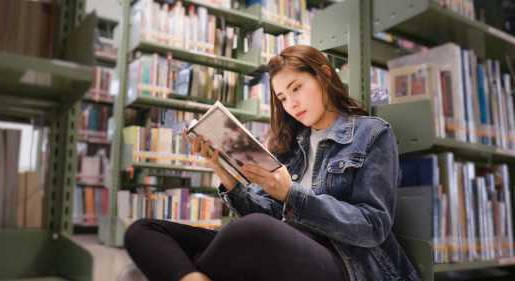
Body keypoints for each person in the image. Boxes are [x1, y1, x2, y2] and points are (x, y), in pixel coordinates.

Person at [124, 45, 421, 281]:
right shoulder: (289, 146)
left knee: (250, 232)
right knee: (144, 230)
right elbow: (268, 215)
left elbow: (373, 226)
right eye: (282, 97)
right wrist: (227, 175)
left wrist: (292, 194)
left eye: (296, 88)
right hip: (284, 251)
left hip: (346, 264)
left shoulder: (372, 134)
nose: (290, 104)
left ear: (325, 76)